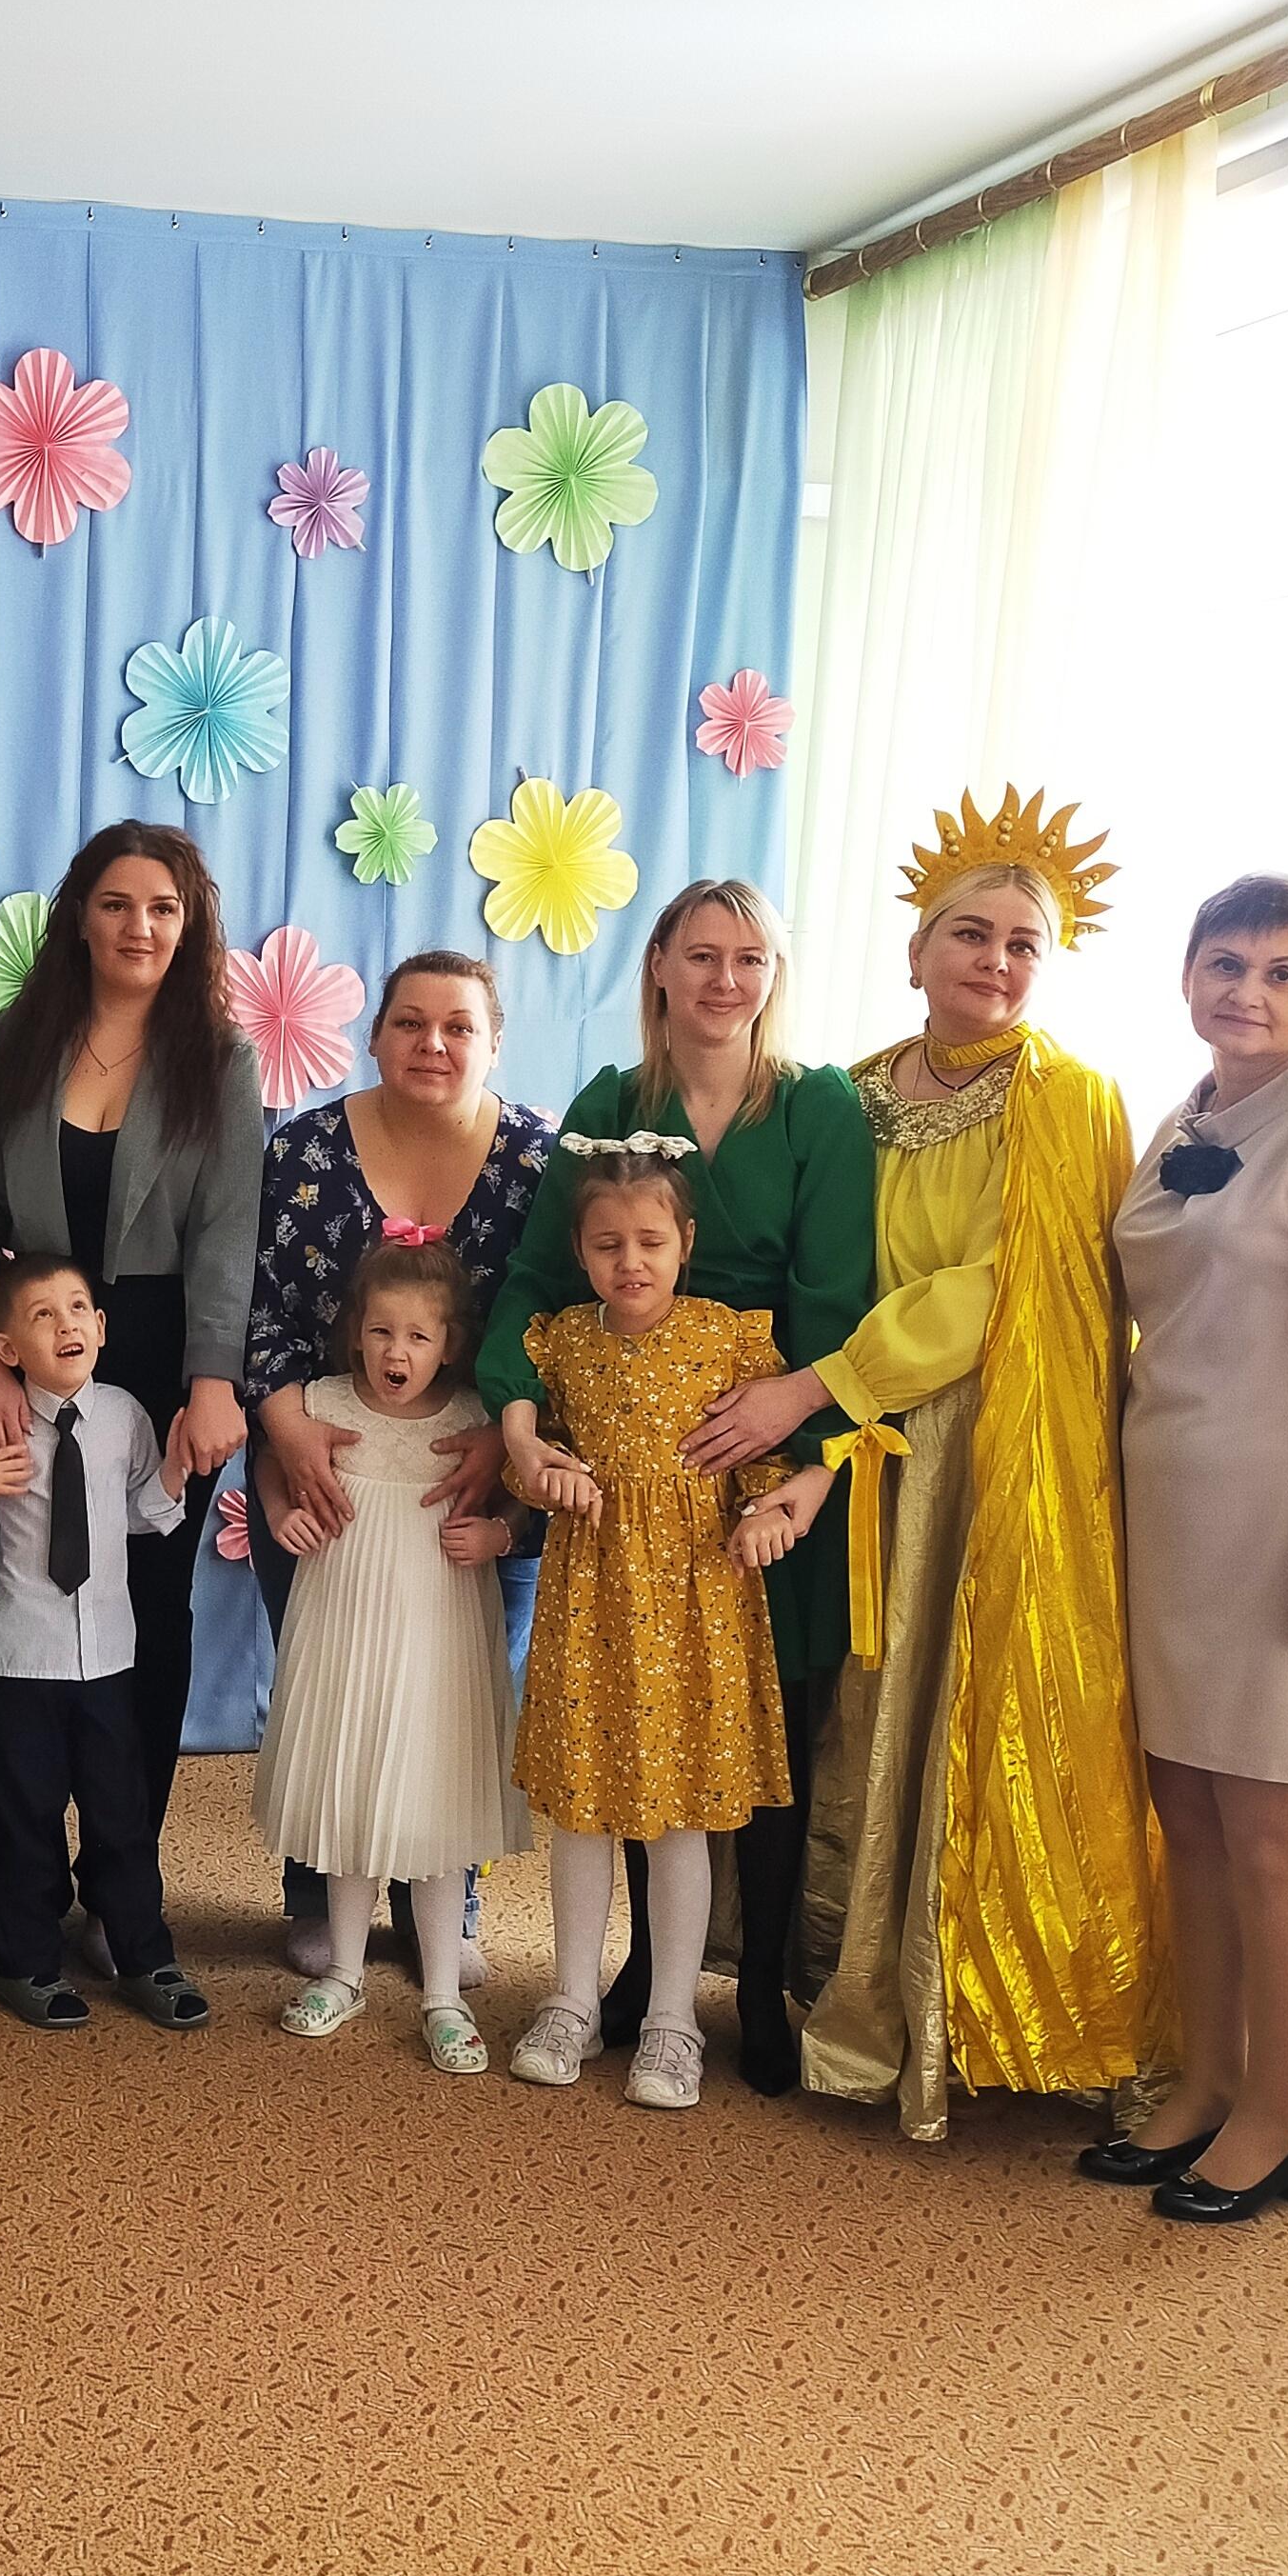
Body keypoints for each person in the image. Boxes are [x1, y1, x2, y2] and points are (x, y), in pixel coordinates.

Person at [685, 790, 1168, 2142]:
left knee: (945, 1706)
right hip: (843, 1437)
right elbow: (815, 1259)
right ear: (915, 951)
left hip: (971, 1450)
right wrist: (807, 1412)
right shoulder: (845, 1093)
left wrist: (827, 1386)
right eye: (970, 933)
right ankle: (820, 1980)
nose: (994, 962)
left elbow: (1001, 1287)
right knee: (839, 1706)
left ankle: (947, 2005)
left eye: (1023, 943)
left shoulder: (1068, 1100)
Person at [476, 877, 874, 2094]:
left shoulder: (816, 1107)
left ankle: (753, 1989)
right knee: (628, 1727)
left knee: (756, 1722)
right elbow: (539, 1280)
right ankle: (648, 1975)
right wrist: (517, 1429)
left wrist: (802, 1455)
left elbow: (836, 1298)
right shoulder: (613, 1103)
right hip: (624, 1476)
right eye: (701, 955)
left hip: (768, 1450)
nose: (724, 980)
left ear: (773, 975)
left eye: (749, 959)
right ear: (657, 965)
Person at [1091, 876, 1288, 2222]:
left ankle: (1276, 2123)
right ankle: (1205, 2085)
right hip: (1174, 1523)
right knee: (1192, 1827)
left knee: (1275, 1840)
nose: (1247, 991)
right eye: (1225, 963)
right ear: (1186, 977)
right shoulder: (1185, 1117)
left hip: (1284, 1529)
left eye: (1283, 972)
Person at [0, 822, 263, 1872]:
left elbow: (228, 1234)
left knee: (150, 1609)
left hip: (163, 1353)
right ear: (79, 916)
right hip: (26, 1352)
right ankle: (22, 1880)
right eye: (118, 904)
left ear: (190, 924)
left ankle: (121, 1870)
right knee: (14, 1595)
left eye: (164, 908)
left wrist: (211, 1383)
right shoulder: (18, 1041)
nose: (140, 926)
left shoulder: (220, 1058)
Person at [496, 1145, 831, 2112]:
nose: (630, 1262)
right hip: (589, 1599)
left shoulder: (727, 1338)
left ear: (685, 1242)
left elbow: (767, 1460)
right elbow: (533, 1454)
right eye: (607, 1245)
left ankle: (672, 2021)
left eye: (650, 1241)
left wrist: (766, 1514)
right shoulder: (560, 1341)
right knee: (581, 1810)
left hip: (694, 1604)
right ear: (579, 1251)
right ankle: (570, 2002)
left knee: (680, 1815)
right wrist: (543, 1474)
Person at [246, 950, 557, 1978]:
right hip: (322, 1461)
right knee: (331, 1682)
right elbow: (253, 1306)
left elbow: (565, 1320)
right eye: (411, 1022)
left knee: (455, 1696)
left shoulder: (539, 1164)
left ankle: (447, 1901)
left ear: (494, 1043)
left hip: (481, 1477)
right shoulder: (300, 1151)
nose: (433, 1043)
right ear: (375, 1036)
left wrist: (508, 1437)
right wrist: (287, 1433)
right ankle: (317, 1894)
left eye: (459, 1026)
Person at [250, 1243, 532, 2072]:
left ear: (450, 1344)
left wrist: (500, 1532)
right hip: (345, 1636)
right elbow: (269, 1461)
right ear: (355, 1334)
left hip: (439, 1644)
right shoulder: (321, 1404)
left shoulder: (475, 1420)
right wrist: (279, 1511)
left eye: (417, 1336)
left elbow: (519, 1489)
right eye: (380, 1332)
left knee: (436, 1804)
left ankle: (442, 1993)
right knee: (350, 1793)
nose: (395, 1352)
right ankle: (343, 1973)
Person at [0, 1255, 209, 2033]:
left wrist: (174, 1469)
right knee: (22, 1816)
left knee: (120, 1814)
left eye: (76, 1309)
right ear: (6, 1349)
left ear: (100, 1327)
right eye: (42, 1315)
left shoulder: (124, 1415)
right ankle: (26, 1960)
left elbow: (140, 1514)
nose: (65, 1325)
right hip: (14, 1655)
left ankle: (144, 1956)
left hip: (106, 1654)